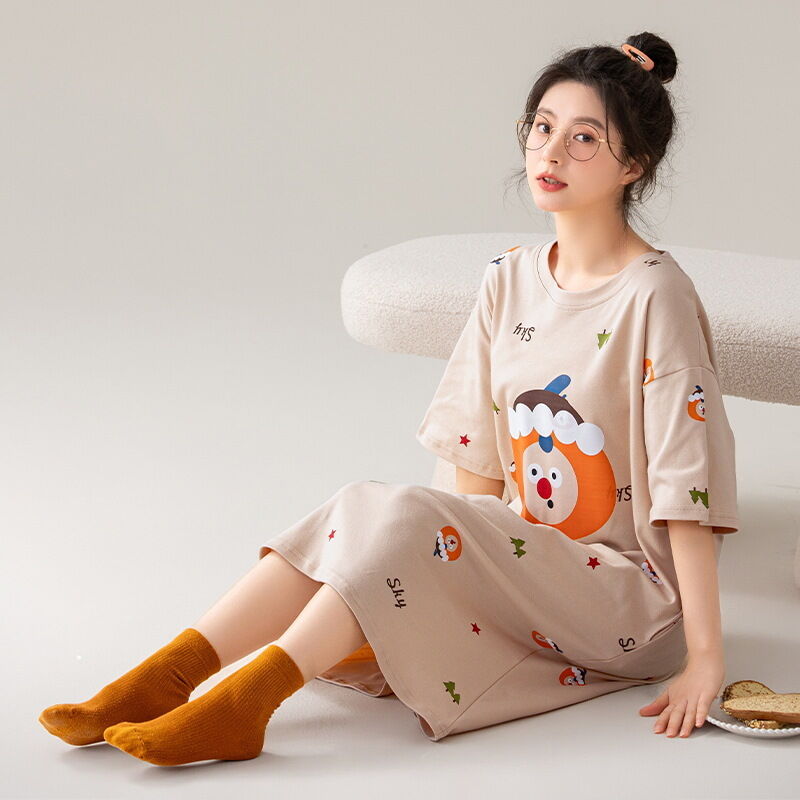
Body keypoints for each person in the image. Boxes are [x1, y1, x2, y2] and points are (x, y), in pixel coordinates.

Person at [38, 31, 739, 765]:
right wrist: (448, 565)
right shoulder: (509, 278)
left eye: (584, 138)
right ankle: (167, 677)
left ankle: (245, 705)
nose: (551, 153)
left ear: (633, 164)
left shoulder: (655, 295)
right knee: (362, 505)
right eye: (542, 127)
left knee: (407, 518)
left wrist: (705, 657)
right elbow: (475, 450)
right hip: (531, 564)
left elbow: (685, 487)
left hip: (632, 602)